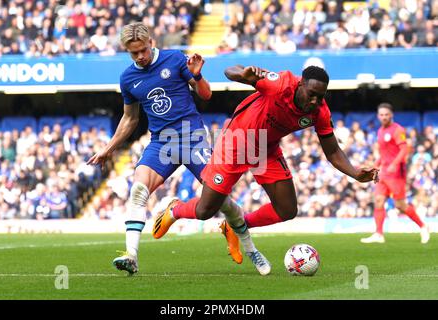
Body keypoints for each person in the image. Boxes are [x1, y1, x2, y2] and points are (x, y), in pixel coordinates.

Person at [152, 65, 379, 263]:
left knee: (287, 209)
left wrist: (356, 173)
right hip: (236, 143)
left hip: (266, 149)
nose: (315, 101)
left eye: (321, 97)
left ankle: (235, 225)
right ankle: (176, 210)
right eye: (312, 94)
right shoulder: (279, 84)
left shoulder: (319, 111)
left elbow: (333, 151)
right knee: (205, 211)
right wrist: (244, 74)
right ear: (300, 85)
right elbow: (229, 71)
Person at [87, 22, 264, 276]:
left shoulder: (174, 59)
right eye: (134, 53)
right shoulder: (128, 78)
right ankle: (131, 256)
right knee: (138, 190)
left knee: (220, 199)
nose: (140, 57)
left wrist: (198, 75)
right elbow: (130, 118)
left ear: (151, 43)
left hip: (192, 137)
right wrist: (109, 148)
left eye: (143, 50)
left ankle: (250, 248)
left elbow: (205, 95)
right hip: (161, 142)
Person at [361, 103, 430, 244]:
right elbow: (384, 153)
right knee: (379, 201)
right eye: (381, 114)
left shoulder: (398, 130)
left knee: (400, 205)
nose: (384, 117)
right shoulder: (380, 131)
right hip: (384, 172)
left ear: (391, 115)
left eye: (386, 114)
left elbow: (404, 149)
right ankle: (379, 234)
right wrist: (375, 165)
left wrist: (394, 164)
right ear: (378, 116)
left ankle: (423, 226)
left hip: (396, 173)